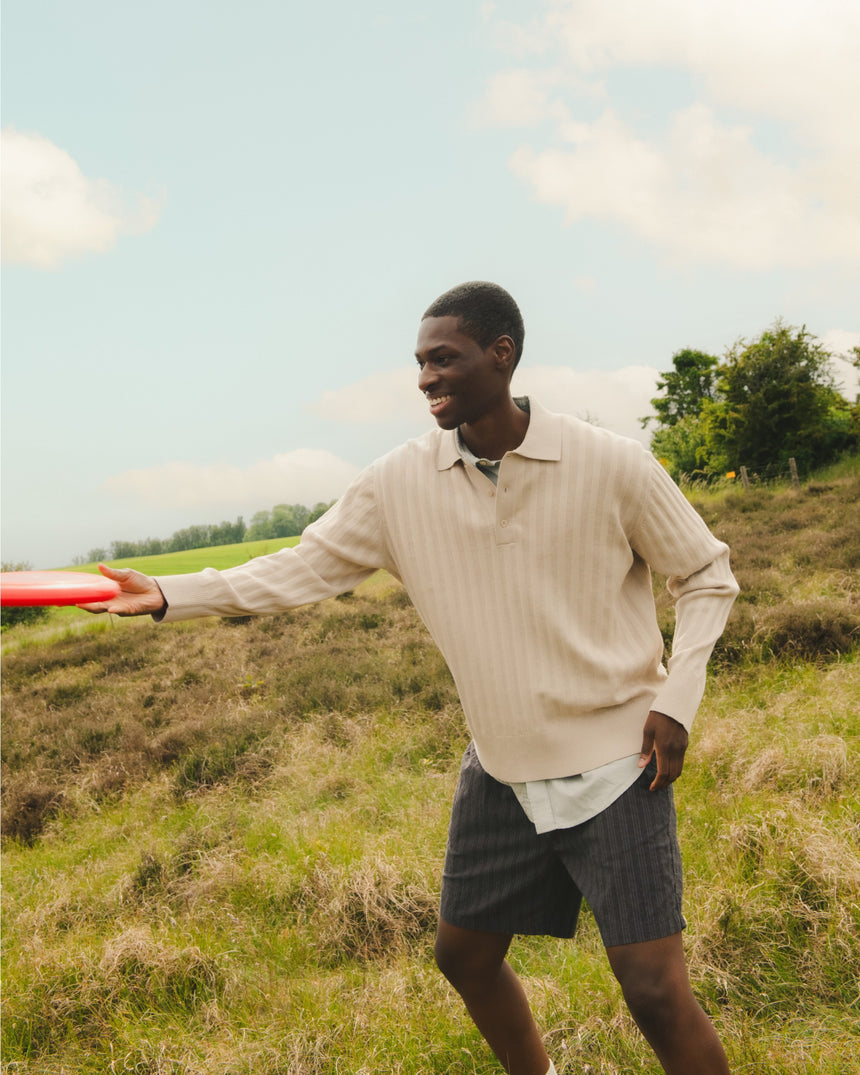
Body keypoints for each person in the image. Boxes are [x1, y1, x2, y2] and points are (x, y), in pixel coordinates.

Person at [83, 282, 738, 1075]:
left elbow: (706, 574)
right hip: (501, 767)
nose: (426, 377)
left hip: (618, 764)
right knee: (463, 957)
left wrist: (678, 701)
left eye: (444, 358)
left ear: (502, 355)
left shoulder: (611, 463)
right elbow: (305, 567)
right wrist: (169, 594)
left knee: (655, 992)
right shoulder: (396, 483)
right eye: (420, 362)